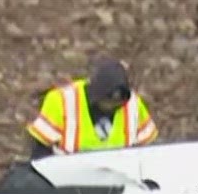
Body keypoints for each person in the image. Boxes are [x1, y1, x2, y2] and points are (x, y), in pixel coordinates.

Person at [25, 56, 158, 159]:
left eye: (117, 103)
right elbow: (40, 150)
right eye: (107, 101)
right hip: (66, 181)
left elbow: (147, 151)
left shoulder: (133, 106)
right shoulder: (62, 100)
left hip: (118, 183)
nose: (111, 106)